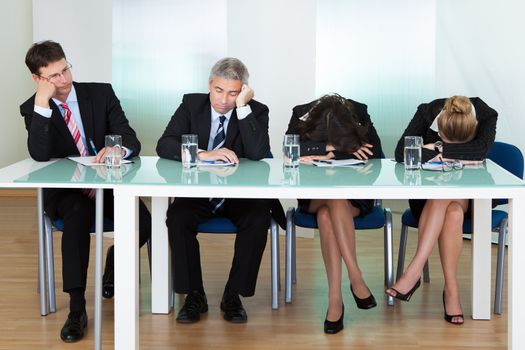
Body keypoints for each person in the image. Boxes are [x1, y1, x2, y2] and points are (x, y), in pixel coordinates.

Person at [20, 40, 151, 343]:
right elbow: (39, 155)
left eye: (65, 69)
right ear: (38, 79)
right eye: (53, 76)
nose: (64, 80)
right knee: (77, 216)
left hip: (104, 184)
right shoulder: (34, 108)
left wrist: (117, 148)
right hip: (66, 192)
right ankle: (77, 309)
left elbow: (132, 139)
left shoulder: (100, 93)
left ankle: (114, 264)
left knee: (143, 221)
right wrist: (42, 104)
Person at [157, 57, 276, 324]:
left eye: (233, 93)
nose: (224, 100)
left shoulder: (256, 110)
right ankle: (194, 295)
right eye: (219, 90)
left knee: (258, 218)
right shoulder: (191, 104)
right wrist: (203, 154)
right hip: (199, 192)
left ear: (243, 90)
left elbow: (258, 153)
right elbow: (164, 144)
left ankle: (233, 295)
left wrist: (243, 108)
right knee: (178, 218)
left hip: (239, 195)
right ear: (210, 84)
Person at [387, 95, 498, 325]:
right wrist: (459, 152)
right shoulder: (427, 112)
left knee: (449, 197)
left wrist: (436, 148)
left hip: (471, 198)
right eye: (445, 141)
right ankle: (451, 291)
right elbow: (402, 153)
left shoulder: (486, 115)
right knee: (452, 212)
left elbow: (480, 151)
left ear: (473, 128)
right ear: (438, 126)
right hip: (427, 201)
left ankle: (413, 272)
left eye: (461, 144)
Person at [285, 94, 383, 334]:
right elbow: (289, 151)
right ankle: (356, 277)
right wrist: (331, 147)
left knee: (329, 213)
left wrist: (324, 153)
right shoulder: (300, 112)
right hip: (314, 194)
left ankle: (335, 300)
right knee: (331, 197)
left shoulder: (360, 110)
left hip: (353, 195)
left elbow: (378, 154)